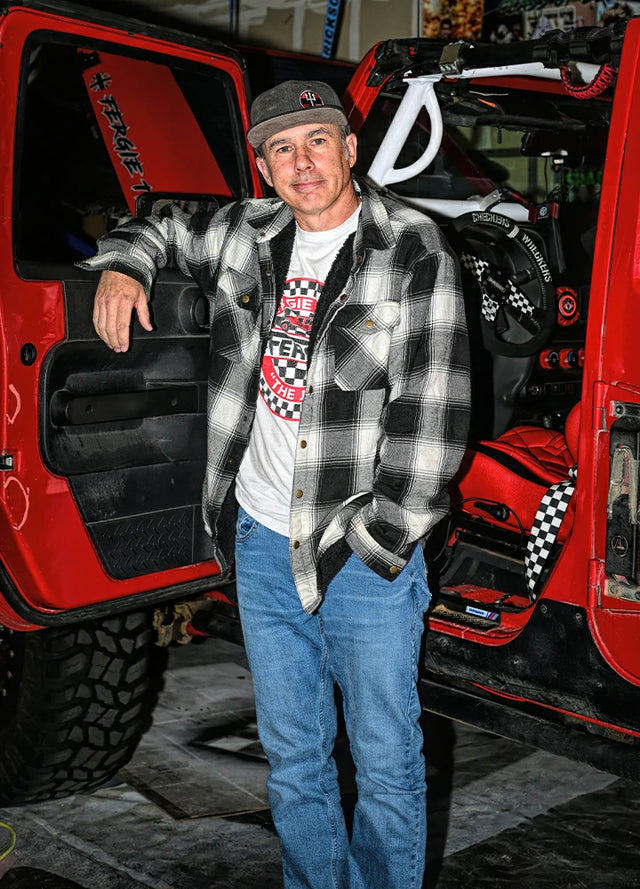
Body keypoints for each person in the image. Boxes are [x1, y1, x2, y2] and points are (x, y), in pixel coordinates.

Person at [84, 79, 470, 889]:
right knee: (294, 759)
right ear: (263, 167)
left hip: (361, 548)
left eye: (318, 141)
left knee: (387, 762)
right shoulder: (245, 231)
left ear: (350, 149)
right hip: (261, 538)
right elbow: (158, 220)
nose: (303, 163)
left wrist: (379, 542)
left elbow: (433, 418)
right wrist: (123, 265)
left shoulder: (412, 247)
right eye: (282, 149)